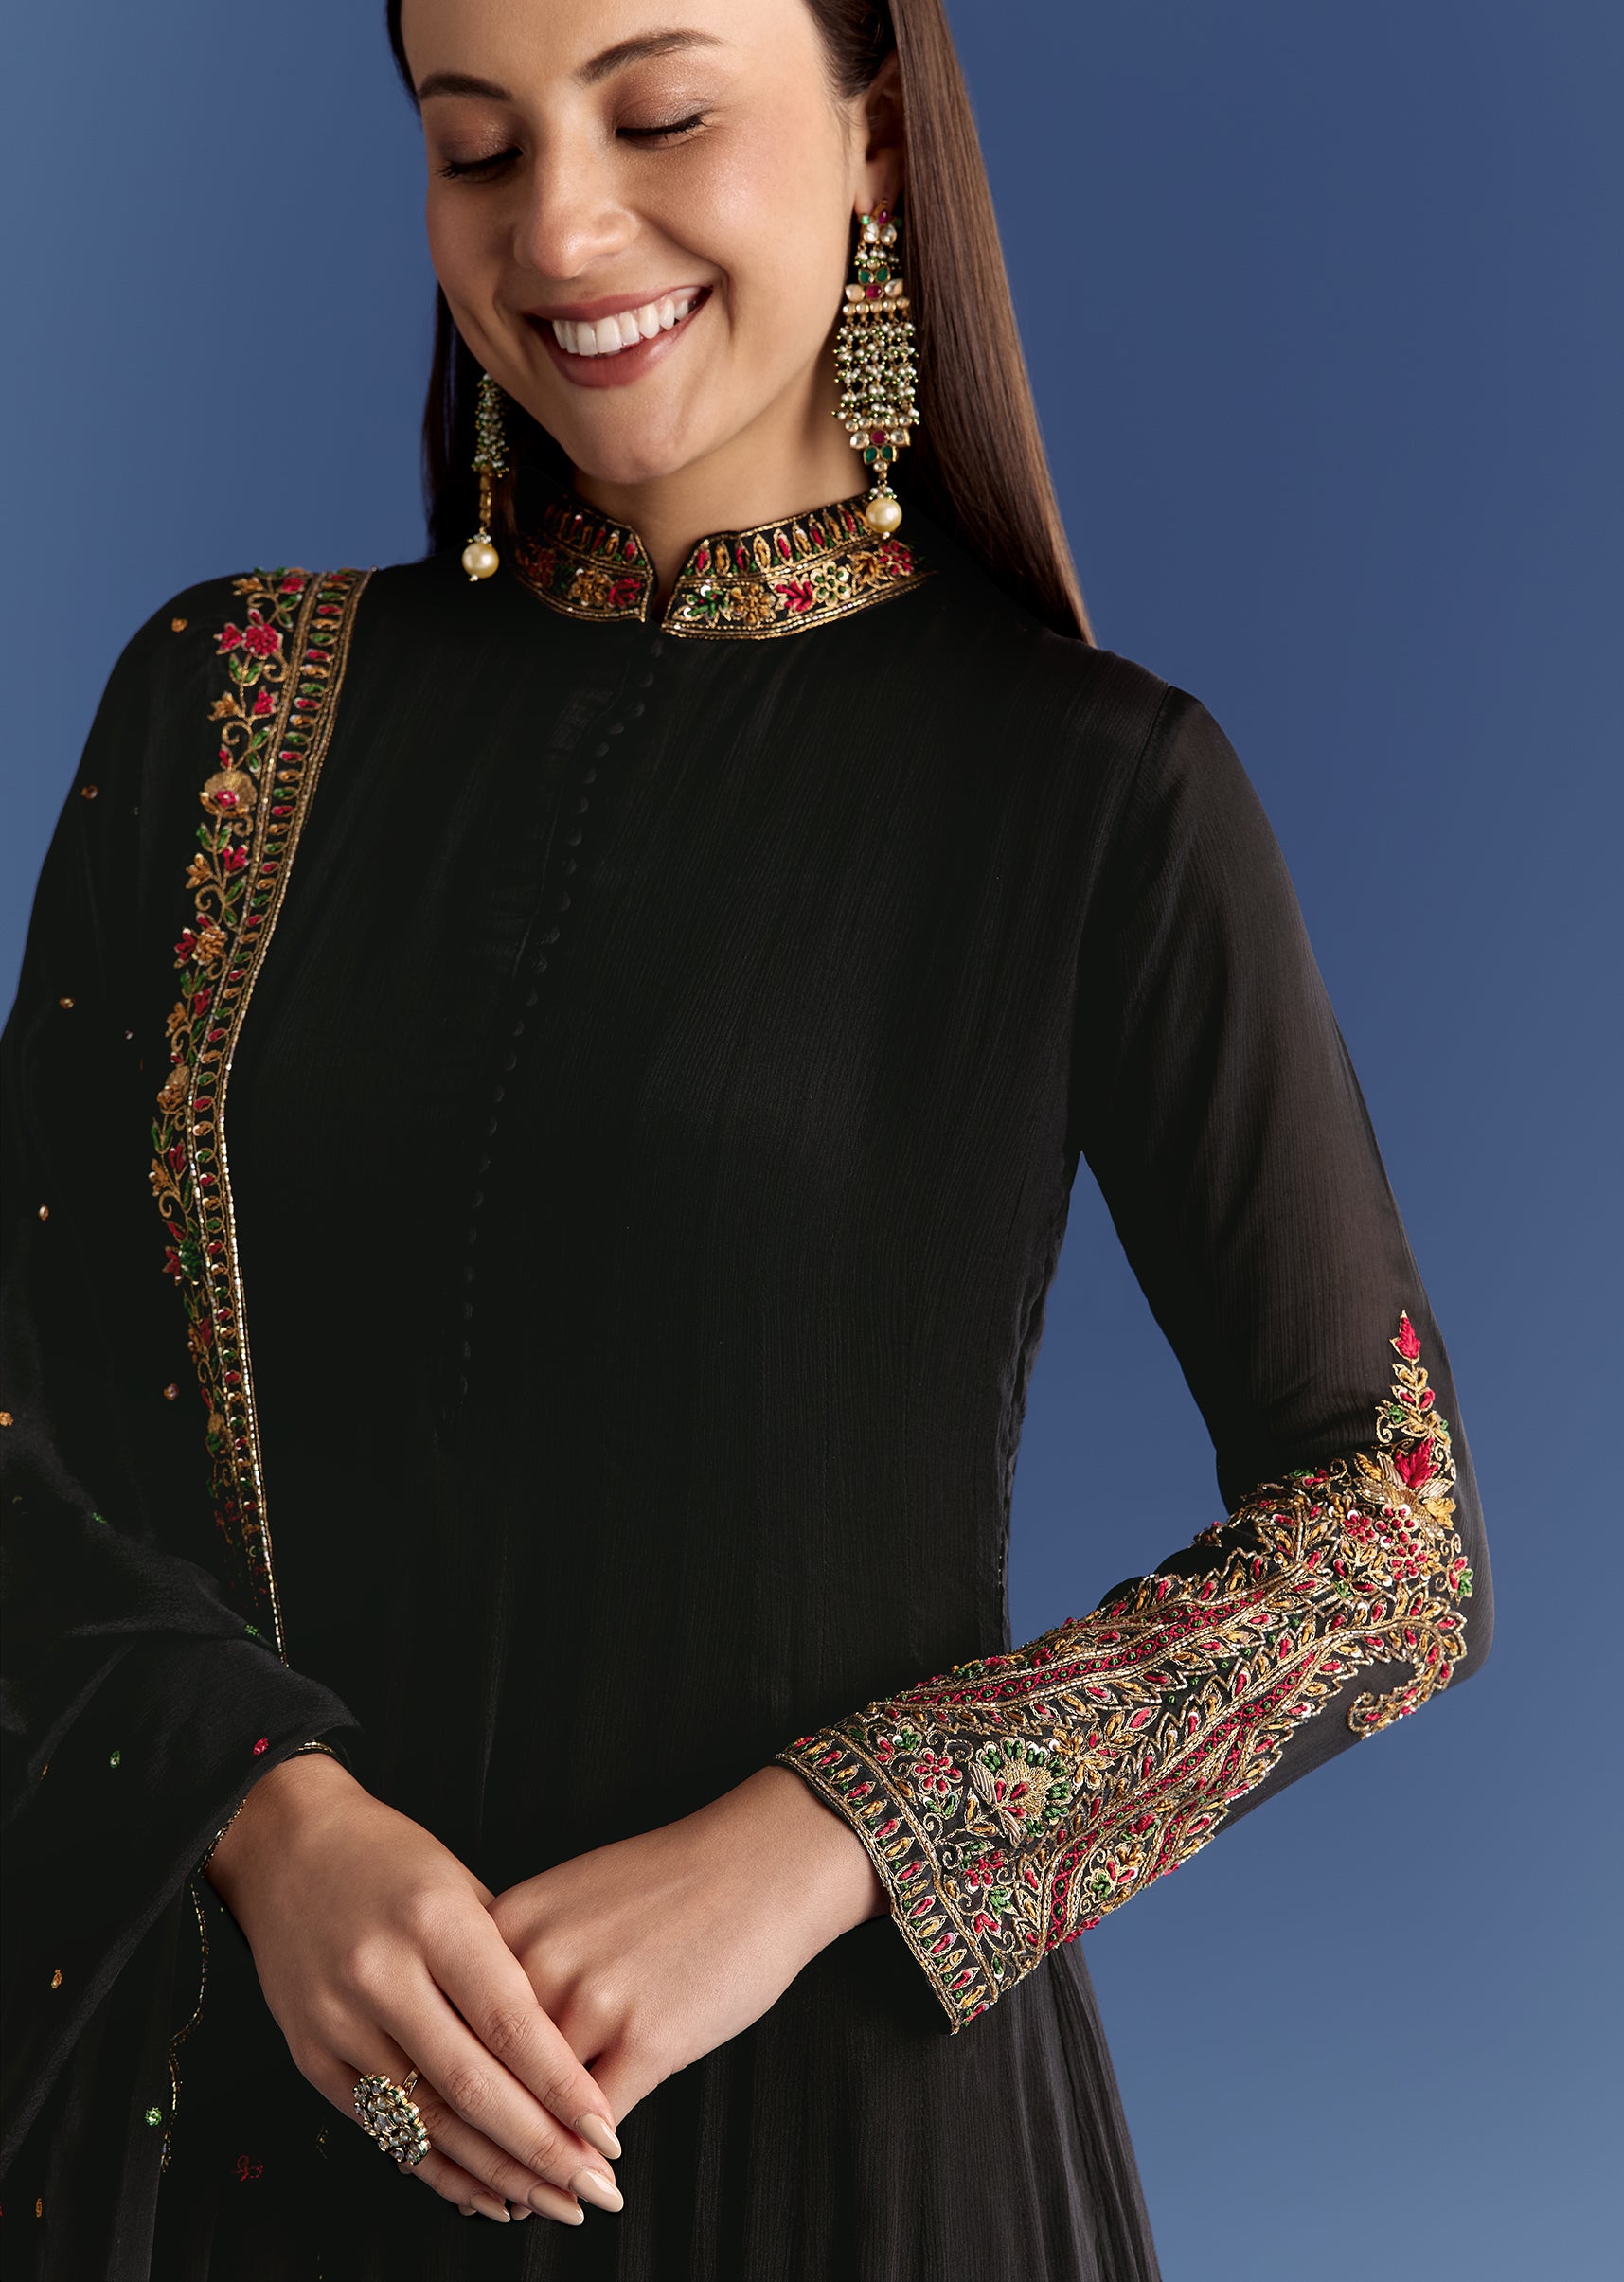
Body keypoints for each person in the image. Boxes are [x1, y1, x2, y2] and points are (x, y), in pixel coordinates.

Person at [0, 0, 1494, 2274]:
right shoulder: (226, 712)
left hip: (851, 2150)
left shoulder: (1091, 788)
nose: (558, 229)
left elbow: (1390, 1536)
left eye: (660, 113)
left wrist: (819, 1845)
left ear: (878, 141)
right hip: (268, 2122)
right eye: (474, 146)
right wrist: (261, 1806)